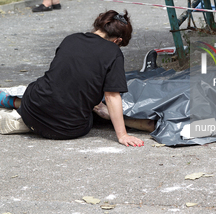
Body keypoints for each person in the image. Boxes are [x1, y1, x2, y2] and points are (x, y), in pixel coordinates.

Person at [0, 10, 155, 147]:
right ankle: (28, 121)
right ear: (118, 41)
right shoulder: (114, 52)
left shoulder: (71, 39)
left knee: (40, 88)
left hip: (32, 110)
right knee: (93, 115)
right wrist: (122, 135)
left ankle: (15, 111)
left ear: (98, 26)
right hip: (68, 129)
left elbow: (62, 76)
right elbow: (112, 96)